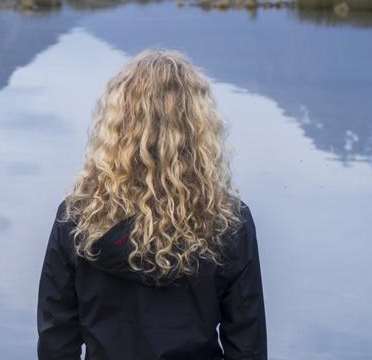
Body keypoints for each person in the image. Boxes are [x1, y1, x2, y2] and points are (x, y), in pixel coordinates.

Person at [36, 49, 267, 360]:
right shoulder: (228, 221)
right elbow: (248, 348)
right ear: (196, 127)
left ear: (116, 125)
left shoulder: (78, 218)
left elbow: (56, 341)